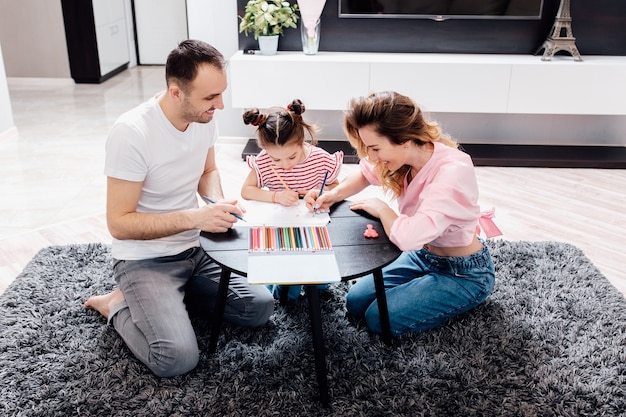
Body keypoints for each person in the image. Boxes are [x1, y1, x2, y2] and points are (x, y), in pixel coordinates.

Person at [84, 40, 275, 377]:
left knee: (259, 308)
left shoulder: (203, 119)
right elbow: (119, 224)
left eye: (220, 93)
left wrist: (216, 203)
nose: (219, 105)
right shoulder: (131, 133)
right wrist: (194, 218)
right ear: (176, 92)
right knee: (175, 359)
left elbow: (207, 172)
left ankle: (172, 301)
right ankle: (117, 304)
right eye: (210, 97)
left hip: (194, 250)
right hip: (144, 260)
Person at [304, 90, 497, 336]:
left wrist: (382, 208)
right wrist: (333, 195)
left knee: (378, 319)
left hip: (463, 272)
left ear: (405, 139)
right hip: (423, 255)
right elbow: (365, 173)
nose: (372, 156)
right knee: (355, 301)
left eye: (375, 148)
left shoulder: (452, 173)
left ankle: (469, 295)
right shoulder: (409, 156)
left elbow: (406, 238)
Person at [241, 99, 343, 301]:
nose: (285, 165)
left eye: (292, 157)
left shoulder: (320, 159)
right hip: (281, 229)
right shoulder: (263, 162)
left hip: (314, 227)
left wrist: (315, 192)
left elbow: (336, 187)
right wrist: (275, 196)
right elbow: (247, 191)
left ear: (302, 141)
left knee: (323, 283)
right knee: (287, 293)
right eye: (276, 159)